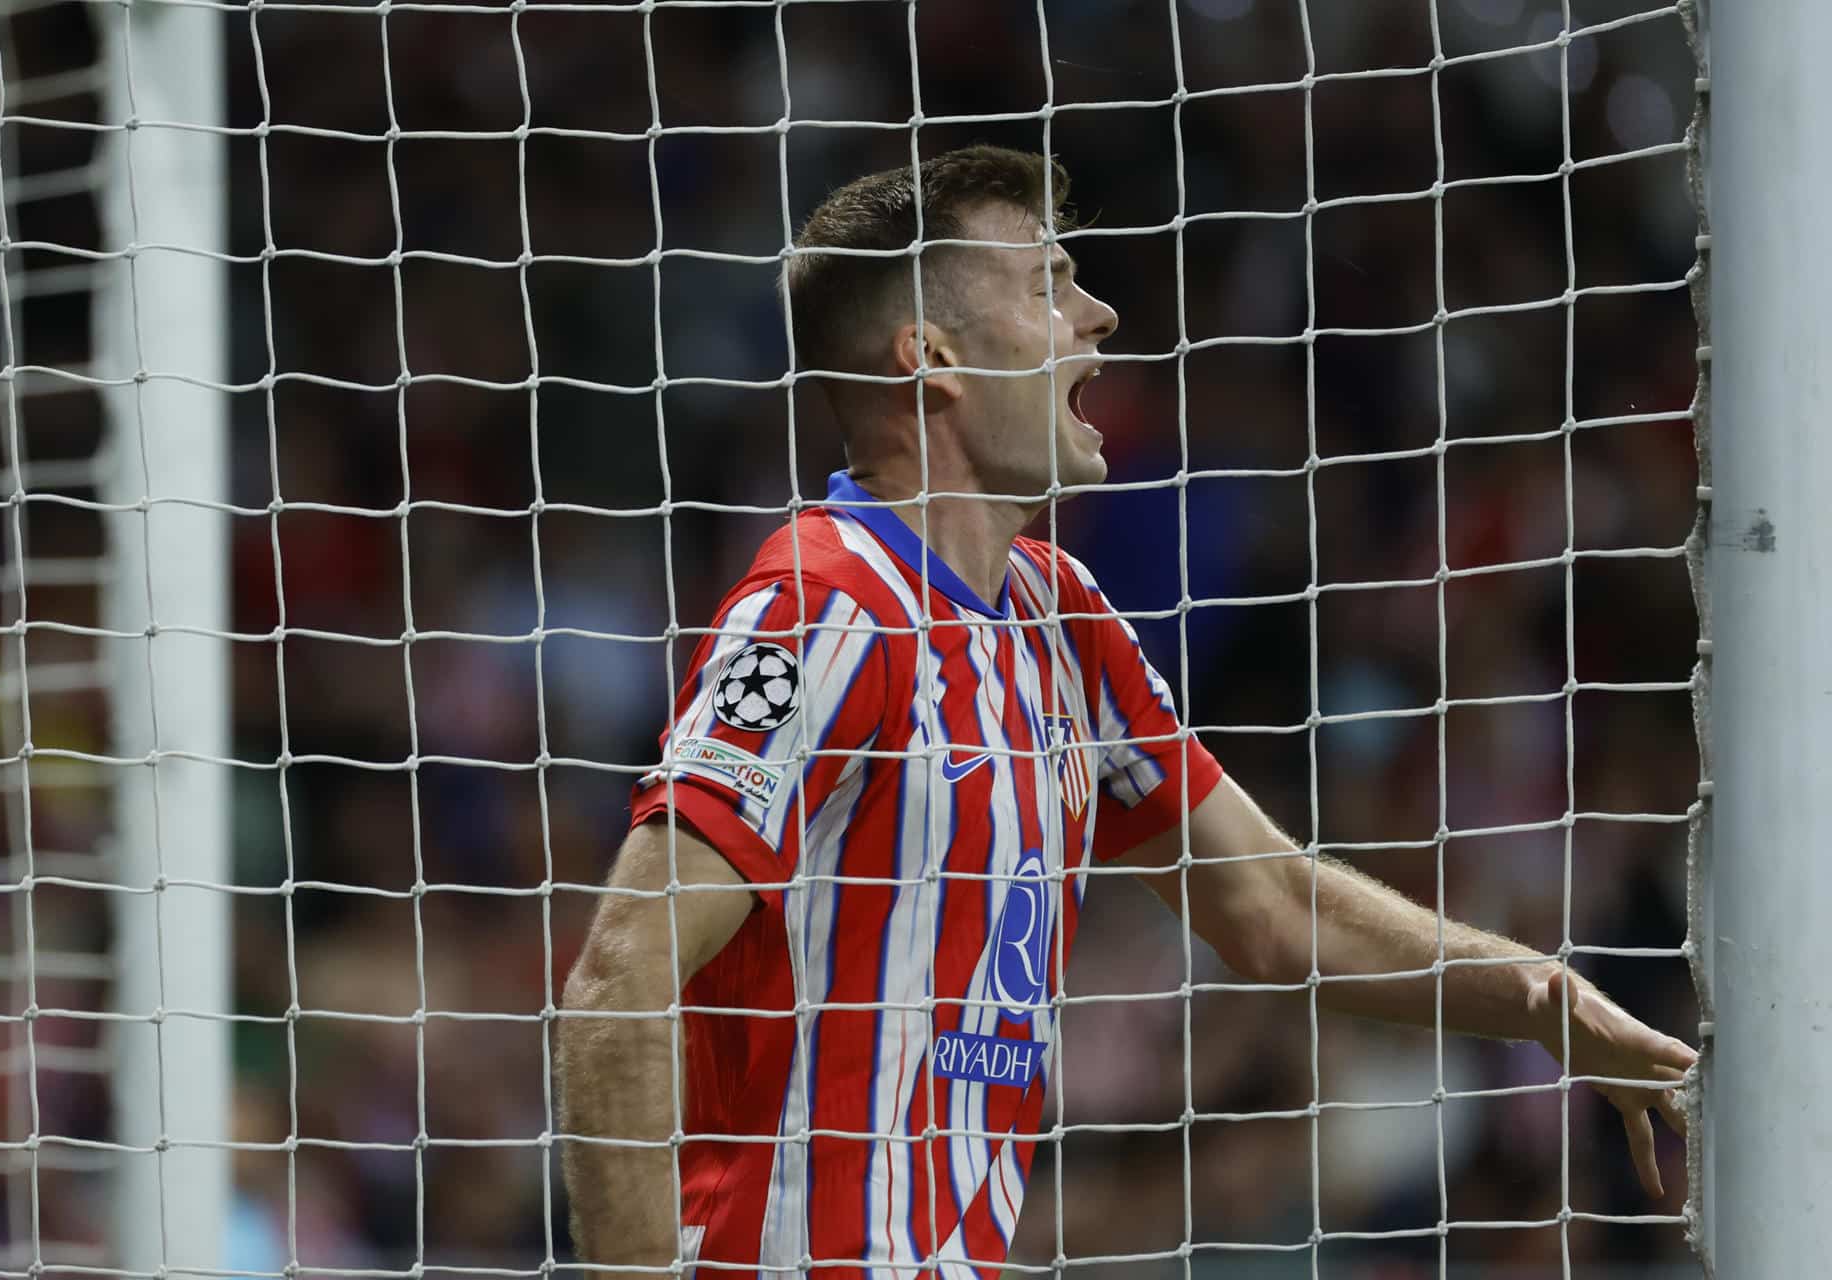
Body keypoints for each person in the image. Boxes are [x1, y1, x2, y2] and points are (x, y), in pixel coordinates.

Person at [553, 145, 1694, 1277]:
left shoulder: (1061, 613)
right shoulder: (821, 607)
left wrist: (1547, 998)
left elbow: (1269, 903)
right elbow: (620, 974)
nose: (1098, 314)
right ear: (931, 355)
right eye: (1048, 283)